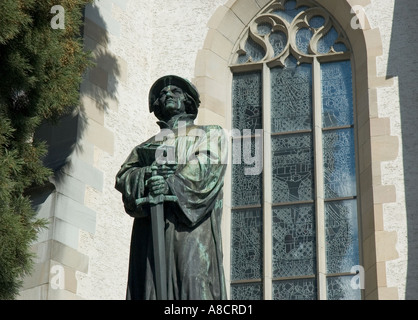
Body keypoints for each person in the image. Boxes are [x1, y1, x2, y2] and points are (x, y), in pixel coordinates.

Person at [115, 75, 228, 300]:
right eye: (162, 94)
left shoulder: (210, 133)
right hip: (150, 231)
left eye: (174, 91)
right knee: (150, 288)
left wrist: (169, 184)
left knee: (192, 282)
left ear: (187, 100)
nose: (167, 95)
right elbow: (124, 177)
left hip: (190, 225)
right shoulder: (144, 147)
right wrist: (148, 175)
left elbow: (207, 166)